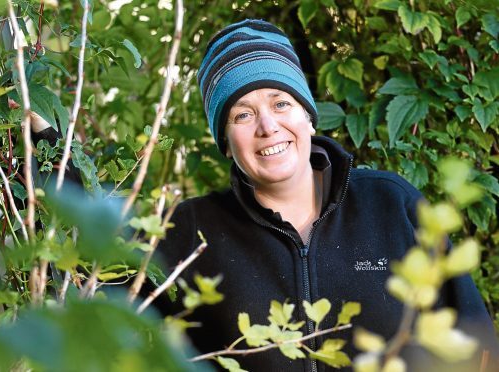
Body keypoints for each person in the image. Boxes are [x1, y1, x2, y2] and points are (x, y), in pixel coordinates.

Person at [154, 19, 499, 371]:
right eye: (243, 114)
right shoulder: (190, 231)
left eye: (281, 104)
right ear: (225, 143)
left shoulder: (390, 204)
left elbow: (477, 346)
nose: (268, 127)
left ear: (309, 117)